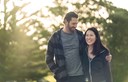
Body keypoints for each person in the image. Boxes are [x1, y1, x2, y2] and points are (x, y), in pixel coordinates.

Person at [46, 12, 112, 82]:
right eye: (73, 23)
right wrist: (58, 73)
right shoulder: (55, 38)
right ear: (65, 21)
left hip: (81, 76)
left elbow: (92, 45)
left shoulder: (80, 35)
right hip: (64, 78)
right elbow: (48, 59)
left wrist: (106, 54)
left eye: (76, 23)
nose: (75, 26)